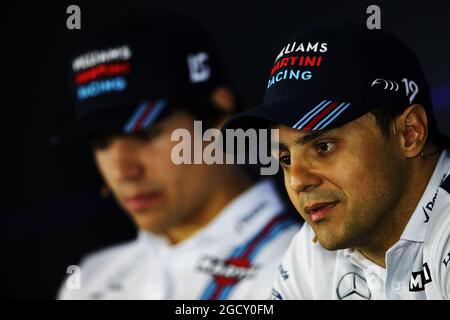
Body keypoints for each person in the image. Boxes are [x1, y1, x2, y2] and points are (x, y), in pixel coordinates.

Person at [56, 12, 301, 300]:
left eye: (145, 135)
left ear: (219, 116)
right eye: (101, 143)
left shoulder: (308, 267)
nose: (123, 170)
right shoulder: (90, 279)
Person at [223, 22, 450, 299]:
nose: (297, 180)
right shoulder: (310, 252)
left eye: (324, 146)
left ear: (409, 133)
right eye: (285, 158)